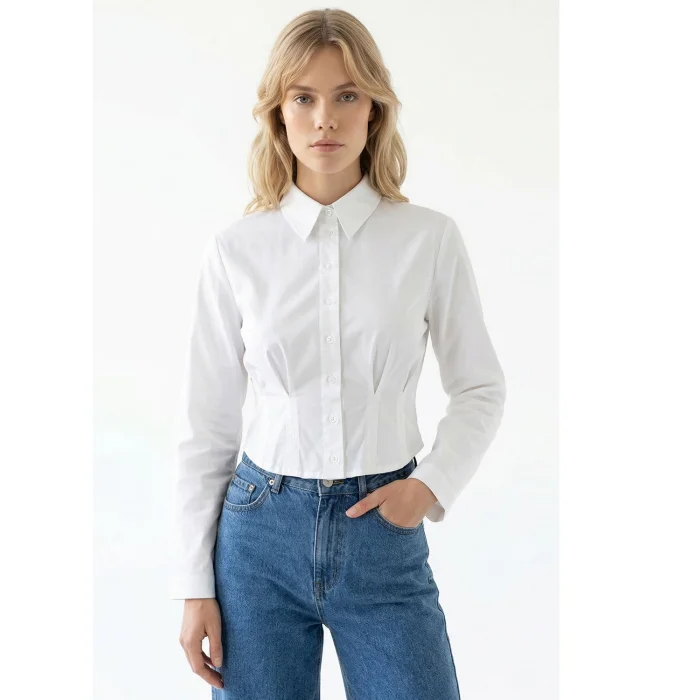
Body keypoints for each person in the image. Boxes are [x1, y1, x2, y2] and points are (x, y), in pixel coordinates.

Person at [170, 8, 506, 699]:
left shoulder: (427, 239)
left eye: (346, 95)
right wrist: (193, 584)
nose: (325, 118)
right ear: (278, 112)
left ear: (374, 110)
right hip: (258, 539)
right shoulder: (237, 251)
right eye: (304, 97)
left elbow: (480, 387)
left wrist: (431, 484)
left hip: (382, 530)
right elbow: (207, 428)